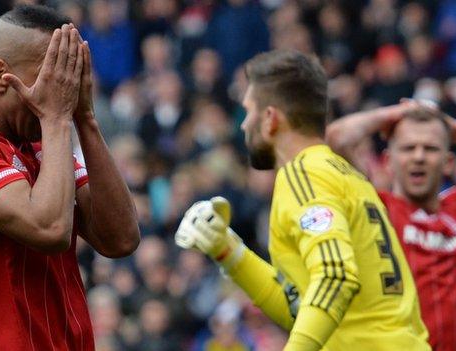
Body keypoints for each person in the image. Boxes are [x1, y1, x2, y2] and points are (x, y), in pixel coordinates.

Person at [0, 5, 140, 350]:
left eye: (67, 79)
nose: (59, 91)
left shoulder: (42, 141)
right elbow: (48, 229)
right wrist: (58, 119)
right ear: (1, 74)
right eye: (49, 78)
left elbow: (120, 239)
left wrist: (87, 120)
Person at [175, 50, 430, 350]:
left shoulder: (304, 174)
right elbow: (304, 306)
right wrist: (227, 249)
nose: (243, 125)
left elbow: (334, 277)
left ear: (270, 118)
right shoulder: (349, 177)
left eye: (248, 112)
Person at [326, 100, 456, 351]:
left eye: (431, 148)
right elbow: (337, 138)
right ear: (388, 160)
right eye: (408, 148)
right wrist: (394, 113)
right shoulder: (376, 208)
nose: (419, 157)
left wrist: (452, 127)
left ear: (448, 162)